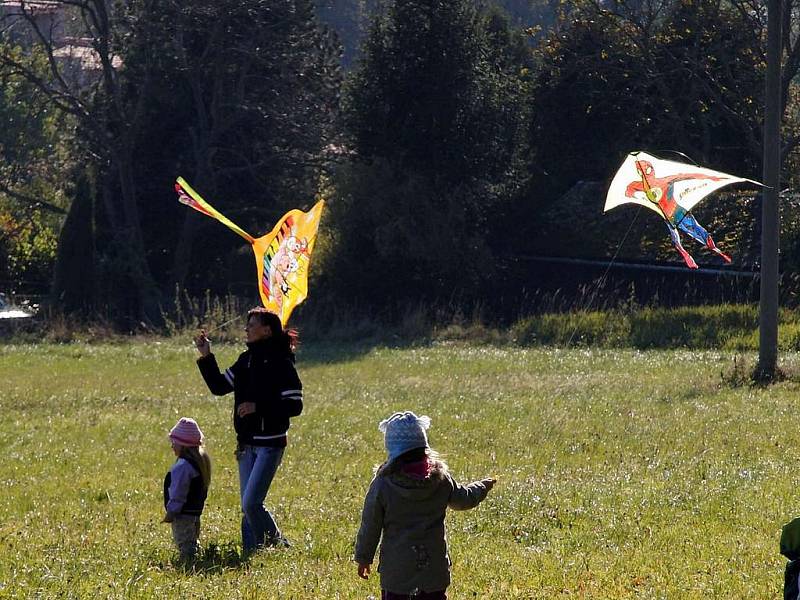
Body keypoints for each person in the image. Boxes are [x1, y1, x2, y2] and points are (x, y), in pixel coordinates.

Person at [354, 411, 496, 600]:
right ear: (423, 445)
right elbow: (463, 499)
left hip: (397, 571)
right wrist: (482, 486)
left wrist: (364, 558)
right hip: (433, 569)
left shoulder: (383, 484)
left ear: (392, 450)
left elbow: (370, 523)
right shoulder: (441, 479)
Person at [194, 307, 303, 553]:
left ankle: (277, 543)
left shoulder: (282, 363)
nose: (246, 329)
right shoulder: (246, 360)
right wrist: (206, 356)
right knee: (248, 505)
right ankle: (251, 552)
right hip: (245, 445)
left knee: (252, 503)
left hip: (271, 445)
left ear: (267, 330)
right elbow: (220, 386)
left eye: (252, 325)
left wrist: (258, 407)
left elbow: (295, 405)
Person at [162, 417, 212, 562]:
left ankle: (188, 564)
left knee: (184, 544)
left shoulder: (182, 467)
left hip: (182, 514)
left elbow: (178, 491)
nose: (172, 446)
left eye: (174, 443)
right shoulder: (199, 463)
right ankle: (196, 559)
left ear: (183, 445)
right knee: (192, 540)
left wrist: (172, 511)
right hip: (194, 513)